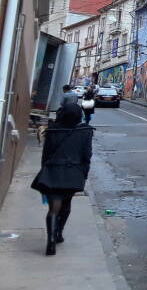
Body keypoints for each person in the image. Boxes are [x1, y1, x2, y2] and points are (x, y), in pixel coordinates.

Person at [30, 103, 93, 255]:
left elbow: (46, 155)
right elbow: (87, 155)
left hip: (53, 172)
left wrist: (45, 170)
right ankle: (58, 233)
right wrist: (84, 173)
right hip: (73, 173)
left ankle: (50, 241)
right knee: (66, 204)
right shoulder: (85, 131)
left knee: (53, 209)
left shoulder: (53, 130)